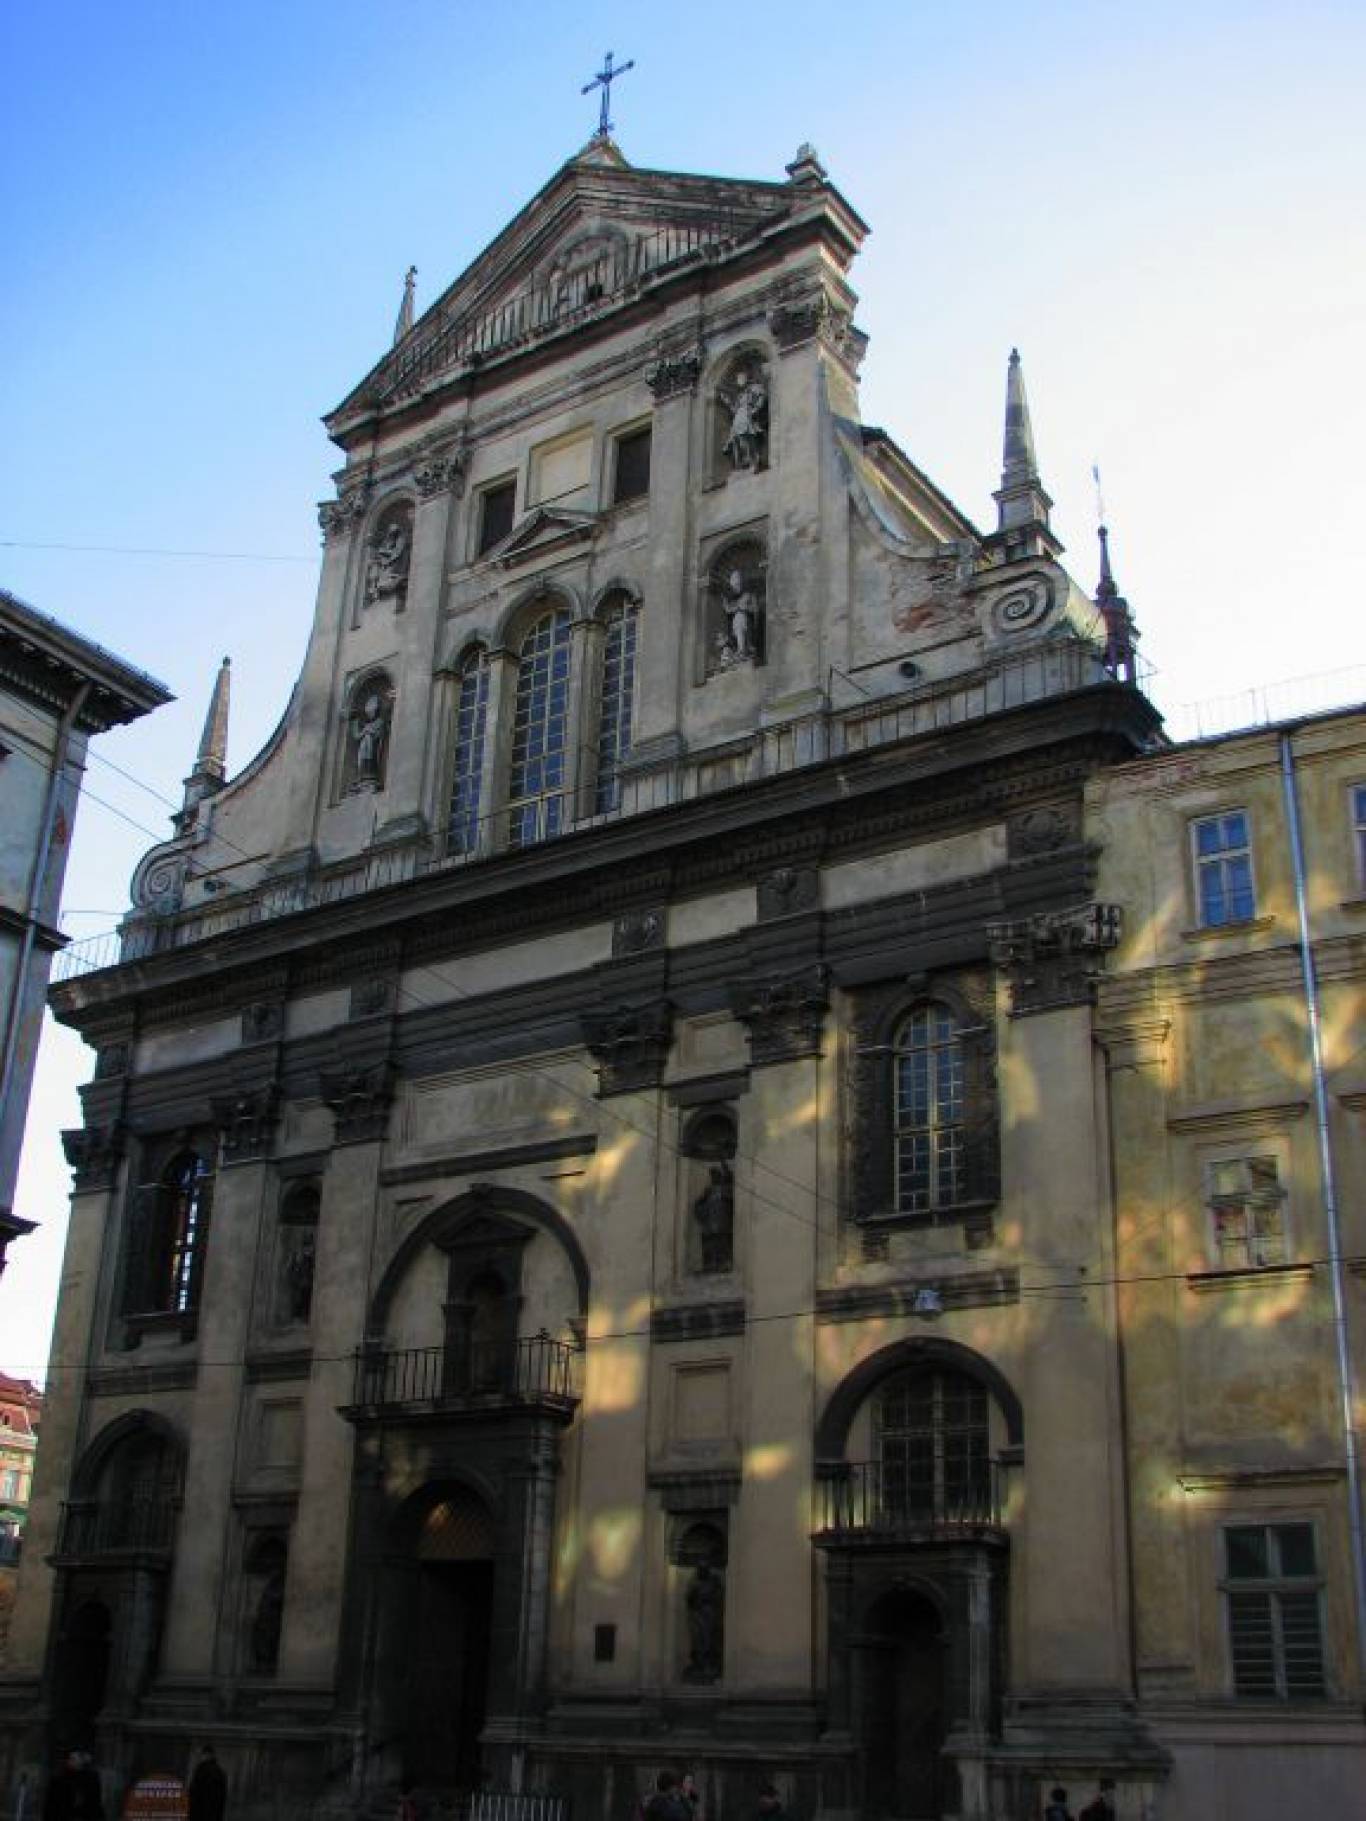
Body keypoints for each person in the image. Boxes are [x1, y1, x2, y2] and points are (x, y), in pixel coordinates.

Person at [43, 1753, 103, 1821]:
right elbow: (51, 1803)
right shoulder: (59, 1778)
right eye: (72, 1759)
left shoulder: (91, 1778)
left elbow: (95, 1802)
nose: (75, 1762)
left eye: (75, 1759)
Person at [187, 1746, 226, 1821]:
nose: (201, 1757)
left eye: (202, 1755)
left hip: (200, 1810)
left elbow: (195, 1790)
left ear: (206, 1755)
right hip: (213, 1811)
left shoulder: (202, 1769)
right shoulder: (220, 1771)